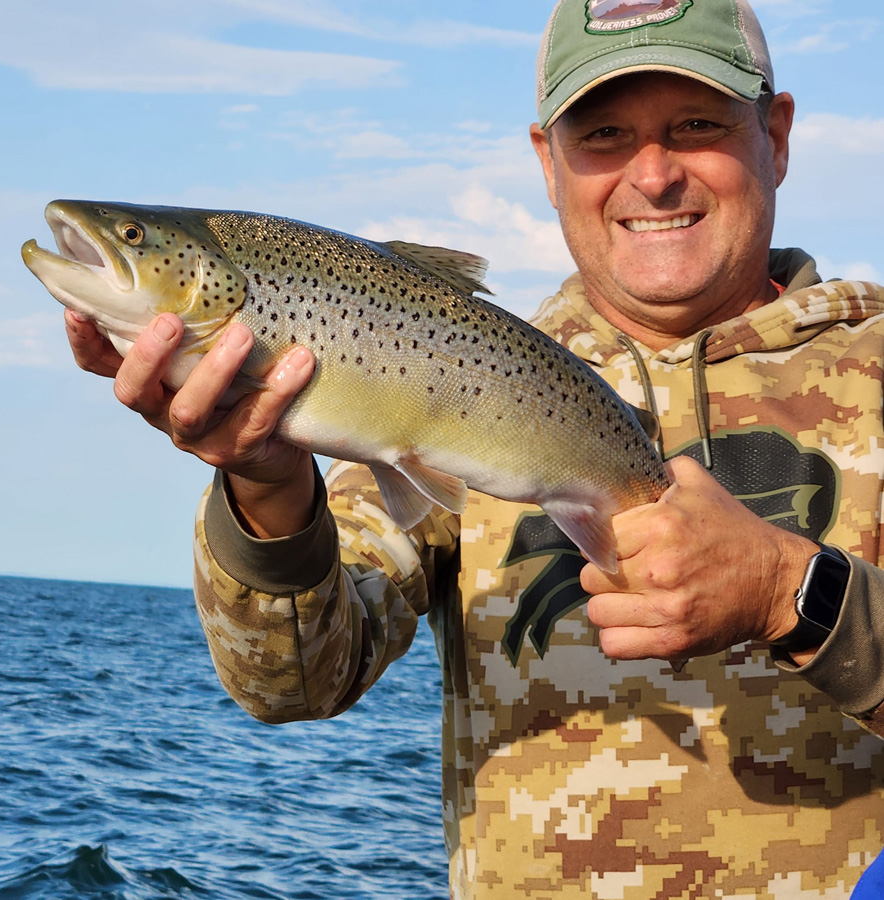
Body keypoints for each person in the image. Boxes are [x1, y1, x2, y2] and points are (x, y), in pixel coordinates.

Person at [65, 0, 884, 896]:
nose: (652, 175)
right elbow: (292, 683)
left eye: (697, 125)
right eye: (605, 133)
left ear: (777, 133)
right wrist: (266, 481)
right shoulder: (458, 372)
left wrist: (793, 597)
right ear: (548, 160)